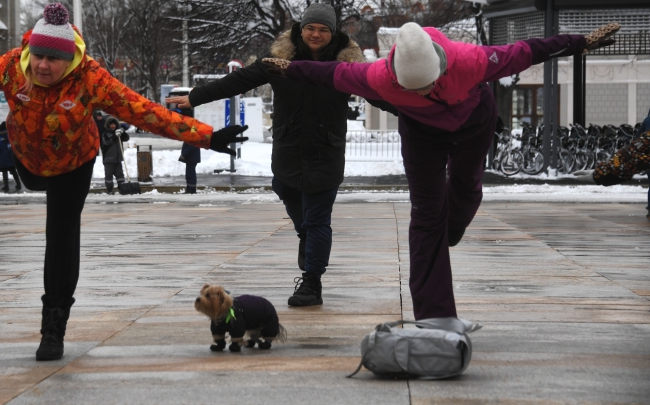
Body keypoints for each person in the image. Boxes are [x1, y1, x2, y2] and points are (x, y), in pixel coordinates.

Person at [0, 2, 246, 361]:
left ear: (69, 59)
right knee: (35, 183)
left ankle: (53, 326)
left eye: (52, 60)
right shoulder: (12, 67)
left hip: (74, 162)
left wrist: (208, 137)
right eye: (38, 57)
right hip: (28, 159)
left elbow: (144, 112)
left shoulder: (91, 78)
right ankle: (32, 184)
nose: (42, 66)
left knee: (60, 235)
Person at [262, 21, 620, 320]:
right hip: (421, 135)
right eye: (411, 88)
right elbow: (326, 72)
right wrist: (287, 66)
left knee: (466, 188)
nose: (423, 91)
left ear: (441, 67)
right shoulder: (376, 76)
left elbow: (528, 51)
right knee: (426, 216)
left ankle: (454, 224)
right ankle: (435, 316)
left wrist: (579, 42)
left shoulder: (472, 60)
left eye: (429, 84)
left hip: (473, 122)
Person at [166, 3, 397, 307]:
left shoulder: (346, 67)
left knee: (317, 220)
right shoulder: (279, 60)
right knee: (289, 198)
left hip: (325, 151)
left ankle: (312, 282)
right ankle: (307, 239)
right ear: (301, 29)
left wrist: (420, 114)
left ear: (333, 33)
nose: (316, 34)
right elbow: (239, 80)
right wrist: (196, 96)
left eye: (323, 29)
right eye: (311, 28)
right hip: (287, 149)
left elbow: (379, 95)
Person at [100, 116, 129, 194]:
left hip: (118, 158)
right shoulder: (106, 134)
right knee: (109, 176)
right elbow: (107, 142)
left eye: (114, 124)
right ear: (108, 125)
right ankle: (109, 190)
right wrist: (115, 136)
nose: (113, 126)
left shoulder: (119, 134)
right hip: (109, 159)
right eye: (111, 124)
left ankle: (122, 189)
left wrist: (123, 132)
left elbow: (126, 138)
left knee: (120, 175)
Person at [0, 122, 21, 192]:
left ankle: (6, 186)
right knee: (13, 171)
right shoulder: (11, 136)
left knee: (4, 171)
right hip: (12, 157)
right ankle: (18, 184)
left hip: (3, 158)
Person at [177, 107, 200, 194]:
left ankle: (191, 190)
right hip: (191, 156)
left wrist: (184, 154)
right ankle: (190, 189)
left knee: (190, 174)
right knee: (189, 174)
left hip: (192, 156)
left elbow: (192, 145)